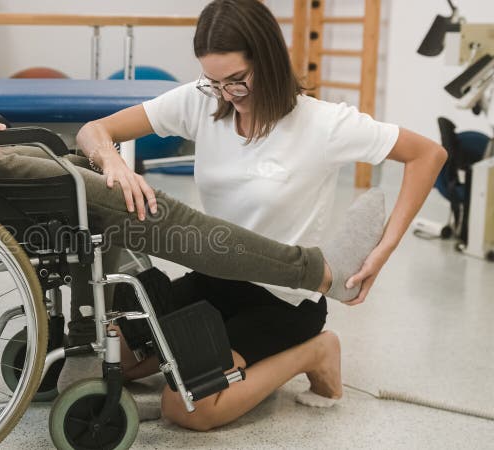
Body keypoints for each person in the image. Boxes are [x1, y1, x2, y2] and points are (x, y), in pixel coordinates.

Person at [0, 0, 400, 427]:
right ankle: (319, 272)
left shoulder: (319, 121)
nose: (228, 94)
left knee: (114, 198)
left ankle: (261, 299)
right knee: (162, 218)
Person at [72, 0, 447, 432]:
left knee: (187, 408)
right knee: (115, 359)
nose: (227, 94)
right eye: (215, 82)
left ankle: (315, 351)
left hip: (283, 299)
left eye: (237, 81)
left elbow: (427, 154)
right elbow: (94, 130)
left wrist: (384, 249)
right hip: (215, 280)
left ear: (267, 61)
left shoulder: (324, 124)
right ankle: (209, 352)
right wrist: (113, 162)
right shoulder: (201, 100)